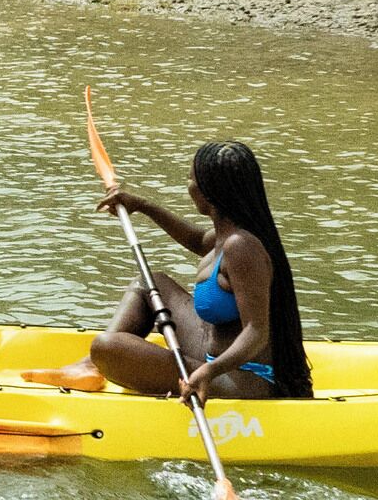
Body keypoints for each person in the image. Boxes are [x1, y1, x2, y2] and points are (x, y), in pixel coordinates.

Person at [73, 140, 311, 402]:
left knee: (106, 348)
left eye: (190, 179)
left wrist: (209, 371)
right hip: (212, 356)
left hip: (241, 379)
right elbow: (196, 240)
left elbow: (257, 332)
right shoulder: (225, 235)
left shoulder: (241, 247)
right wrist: (140, 205)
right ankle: (89, 366)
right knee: (151, 283)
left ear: (209, 192)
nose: (188, 186)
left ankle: (99, 361)